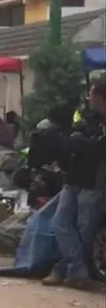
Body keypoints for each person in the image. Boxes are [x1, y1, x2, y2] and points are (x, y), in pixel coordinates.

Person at [42, 81, 106, 289]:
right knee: (60, 223)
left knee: (83, 231)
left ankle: (64, 271)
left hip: (94, 183)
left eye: (92, 94)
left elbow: (98, 148)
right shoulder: (86, 117)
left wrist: (81, 143)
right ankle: (77, 271)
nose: (89, 98)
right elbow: (70, 140)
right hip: (73, 179)